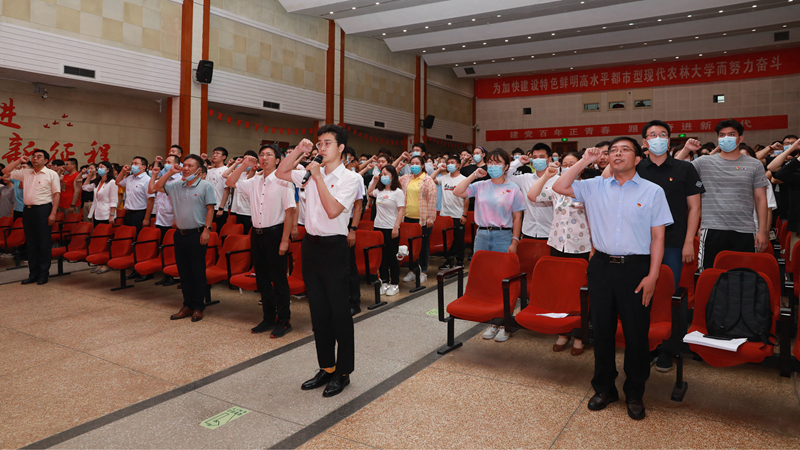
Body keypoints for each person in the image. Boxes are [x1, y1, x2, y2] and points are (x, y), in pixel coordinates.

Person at [553, 138, 673, 421]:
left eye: (625, 150)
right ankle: (604, 388)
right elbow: (559, 186)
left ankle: (635, 392)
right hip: (602, 267)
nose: (617, 154)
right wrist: (585, 160)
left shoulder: (653, 191)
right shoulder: (594, 186)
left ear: (638, 158)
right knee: (603, 331)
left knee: (636, 334)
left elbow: (658, 237)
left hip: (636, 269)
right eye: (613, 151)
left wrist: (653, 275)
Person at [276, 124, 360, 398]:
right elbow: (281, 172)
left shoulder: (350, 178)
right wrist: (299, 151)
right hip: (311, 246)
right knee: (319, 312)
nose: (321, 147)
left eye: (327, 143)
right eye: (319, 143)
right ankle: (327, 366)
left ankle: (343, 371)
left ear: (341, 148)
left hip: (334, 248)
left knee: (339, 312)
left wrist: (317, 177)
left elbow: (333, 210)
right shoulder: (310, 171)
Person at [675, 119, 770, 271]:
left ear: (740, 138)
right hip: (712, 228)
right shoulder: (704, 162)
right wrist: (686, 149)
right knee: (711, 275)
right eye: (722, 135)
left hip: (745, 229)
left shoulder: (755, 164)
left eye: (731, 134)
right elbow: (673, 170)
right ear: (718, 139)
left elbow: (761, 199)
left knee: (743, 276)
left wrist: (762, 231)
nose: (726, 138)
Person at [453, 148, 525, 343]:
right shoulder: (480, 185)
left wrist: (515, 241)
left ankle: (505, 323)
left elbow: (517, 217)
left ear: (506, 166)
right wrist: (474, 175)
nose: (493, 166)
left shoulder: (513, 188)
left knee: (503, 279)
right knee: (485, 278)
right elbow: (458, 191)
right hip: (482, 235)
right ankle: (493, 320)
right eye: (490, 162)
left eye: (498, 162)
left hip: (503, 235)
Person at [227, 146, 296, 337]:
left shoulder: (284, 181)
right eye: (262, 155)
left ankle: (284, 320)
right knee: (262, 279)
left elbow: (290, 212)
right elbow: (230, 181)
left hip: (275, 234)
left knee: (279, 279)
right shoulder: (254, 181)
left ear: (278, 160)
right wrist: (244, 165)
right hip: (256, 235)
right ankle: (269, 317)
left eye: (269, 155)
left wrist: (285, 240)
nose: (264, 158)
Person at [528, 156, 591, 356]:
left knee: (580, 291)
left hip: (582, 247)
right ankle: (563, 332)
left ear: (581, 167)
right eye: (566, 164)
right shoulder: (555, 188)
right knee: (561, 289)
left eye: (573, 164)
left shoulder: (588, 188)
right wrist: (546, 176)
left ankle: (579, 334)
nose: (569, 167)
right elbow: (532, 195)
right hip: (557, 245)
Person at [151, 155, 216, 322]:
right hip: (180, 234)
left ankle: (198, 307)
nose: (186, 168)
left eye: (190, 166)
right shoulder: (177, 185)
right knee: (184, 273)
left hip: (197, 234)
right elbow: (156, 187)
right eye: (184, 165)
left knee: (197, 272)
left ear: (199, 170)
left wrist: (206, 230)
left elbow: (210, 209)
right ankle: (187, 305)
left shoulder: (206, 186)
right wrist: (170, 172)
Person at [3, 150, 60, 285]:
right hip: (27, 210)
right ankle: (33, 274)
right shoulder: (26, 172)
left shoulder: (51, 174)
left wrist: (53, 213)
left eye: (39, 156)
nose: (35, 158)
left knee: (43, 243)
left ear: (46, 160)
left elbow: (57, 194)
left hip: (43, 209)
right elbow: (5, 171)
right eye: (33, 156)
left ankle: (43, 275)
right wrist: (19, 160)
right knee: (31, 243)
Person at [399, 154, 437, 284]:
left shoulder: (428, 180)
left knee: (423, 246)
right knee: (410, 246)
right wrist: (398, 165)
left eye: (417, 164)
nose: (414, 166)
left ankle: (423, 271)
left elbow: (432, 200)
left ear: (422, 166)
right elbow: (391, 178)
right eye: (412, 164)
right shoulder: (405, 178)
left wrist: (431, 218)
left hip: (422, 219)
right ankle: (413, 270)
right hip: (407, 218)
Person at [368, 164, 405, 296]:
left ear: (392, 176)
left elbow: (401, 210)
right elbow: (369, 192)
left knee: (392, 257)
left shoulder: (398, 192)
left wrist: (396, 227)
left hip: (391, 228)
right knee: (381, 257)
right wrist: (375, 181)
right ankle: (384, 281)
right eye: (381, 174)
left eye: (385, 174)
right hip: (379, 227)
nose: (383, 176)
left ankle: (395, 283)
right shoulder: (379, 191)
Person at [506, 146, 558, 240]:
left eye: (541, 157)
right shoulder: (525, 178)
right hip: (528, 230)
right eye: (534, 157)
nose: (538, 160)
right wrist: (519, 162)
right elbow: (505, 176)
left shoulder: (558, 180)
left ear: (549, 159)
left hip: (550, 231)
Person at [431, 155, 468, 269]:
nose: (449, 165)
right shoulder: (444, 178)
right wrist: (439, 169)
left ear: (458, 165)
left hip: (458, 214)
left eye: (452, 162)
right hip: (445, 215)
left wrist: (464, 214)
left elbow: (467, 198)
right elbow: (429, 180)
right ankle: (449, 261)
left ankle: (460, 261)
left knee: (458, 240)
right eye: (448, 163)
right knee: (447, 240)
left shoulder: (463, 179)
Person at [769, 138, 800, 261]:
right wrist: (793, 148)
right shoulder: (796, 175)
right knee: (796, 264)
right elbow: (773, 169)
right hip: (798, 226)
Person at [84, 161, 117, 274]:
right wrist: (89, 176)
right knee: (99, 239)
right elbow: (85, 187)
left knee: (106, 239)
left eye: (102, 167)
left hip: (107, 214)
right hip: (97, 213)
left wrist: (112, 215)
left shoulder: (112, 182)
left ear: (108, 169)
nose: (99, 169)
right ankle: (100, 262)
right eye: (98, 167)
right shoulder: (97, 182)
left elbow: (113, 200)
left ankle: (106, 263)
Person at [223, 150, 259, 234]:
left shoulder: (257, 174)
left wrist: (253, 170)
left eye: (248, 159)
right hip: (237, 209)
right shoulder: (240, 174)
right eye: (244, 159)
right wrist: (236, 163)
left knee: (247, 234)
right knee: (237, 233)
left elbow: (248, 182)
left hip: (248, 210)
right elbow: (225, 175)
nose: (245, 161)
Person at [205, 147, 232, 233]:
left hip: (219, 208)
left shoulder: (226, 170)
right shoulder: (209, 171)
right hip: (208, 207)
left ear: (224, 157)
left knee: (217, 233)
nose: (214, 155)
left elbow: (227, 190)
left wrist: (221, 208)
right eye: (213, 153)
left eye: (217, 153)